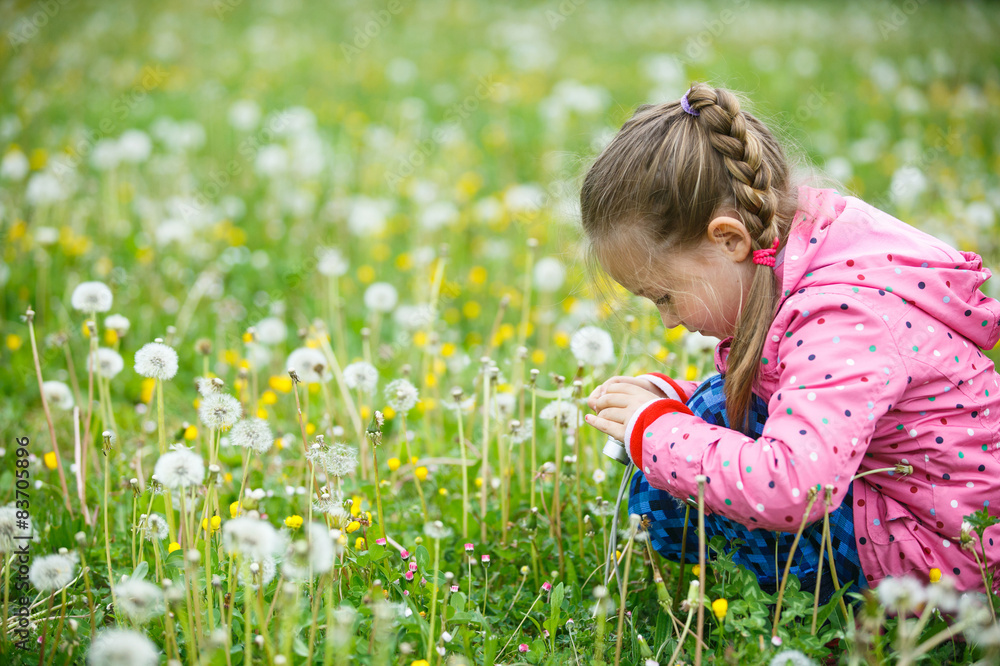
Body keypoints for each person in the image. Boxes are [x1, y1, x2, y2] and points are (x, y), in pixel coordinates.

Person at [580, 82, 1000, 601]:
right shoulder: (808, 252)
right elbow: (807, 398)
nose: (667, 321)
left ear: (729, 240)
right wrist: (681, 403)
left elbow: (795, 487)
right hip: (910, 511)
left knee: (670, 485)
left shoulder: (846, 316)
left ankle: (789, 622)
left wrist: (660, 432)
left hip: (947, 564)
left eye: (665, 296)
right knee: (706, 415)